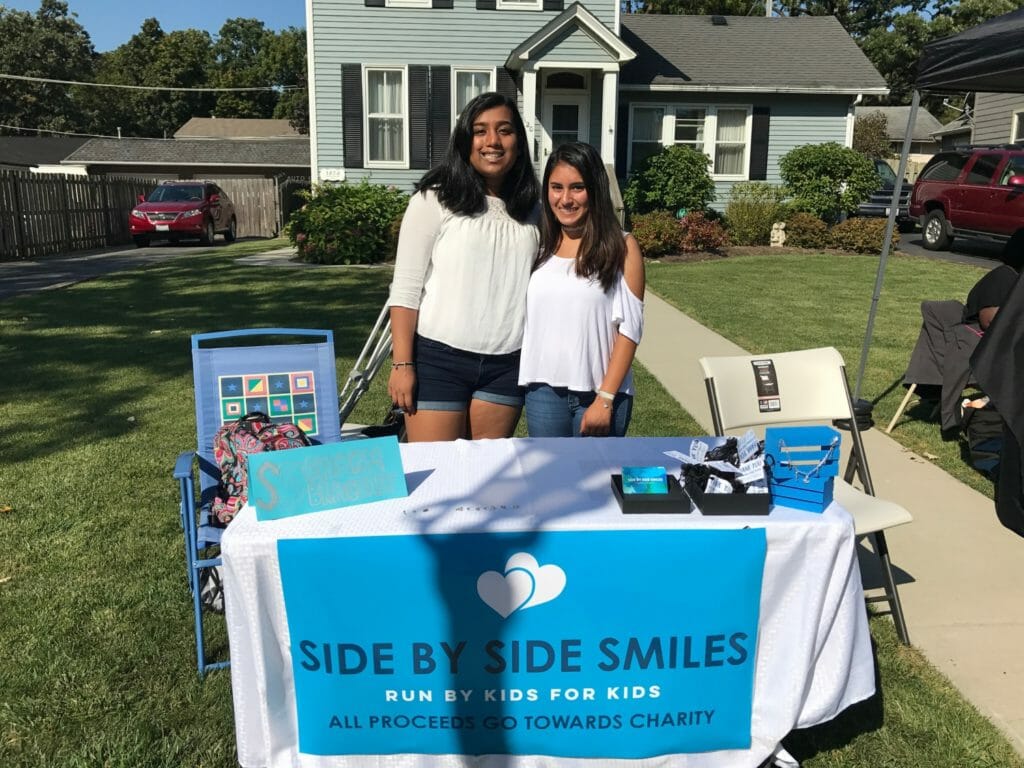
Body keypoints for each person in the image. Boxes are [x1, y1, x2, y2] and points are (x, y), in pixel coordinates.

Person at [386, 92, 540, 442]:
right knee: (437, 480)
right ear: (465, 140)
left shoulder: (533, 211)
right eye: (480, 130)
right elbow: (406, 290)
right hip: (439, 361)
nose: (493, 141)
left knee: (484, 483)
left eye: (505, 130)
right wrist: (402, 364)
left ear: (518, 141)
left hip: (506, 367)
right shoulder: (434, 199)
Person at [518, 142, 645, 437]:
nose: (565, 199)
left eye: (577, 187)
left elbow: (631, 330)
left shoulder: (623, 247)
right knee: (552, 482)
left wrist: (606, 398)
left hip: (601, 395)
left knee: (597, 483)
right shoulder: (538, 246)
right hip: (543, 392)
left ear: (596, 191)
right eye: (556, 187)